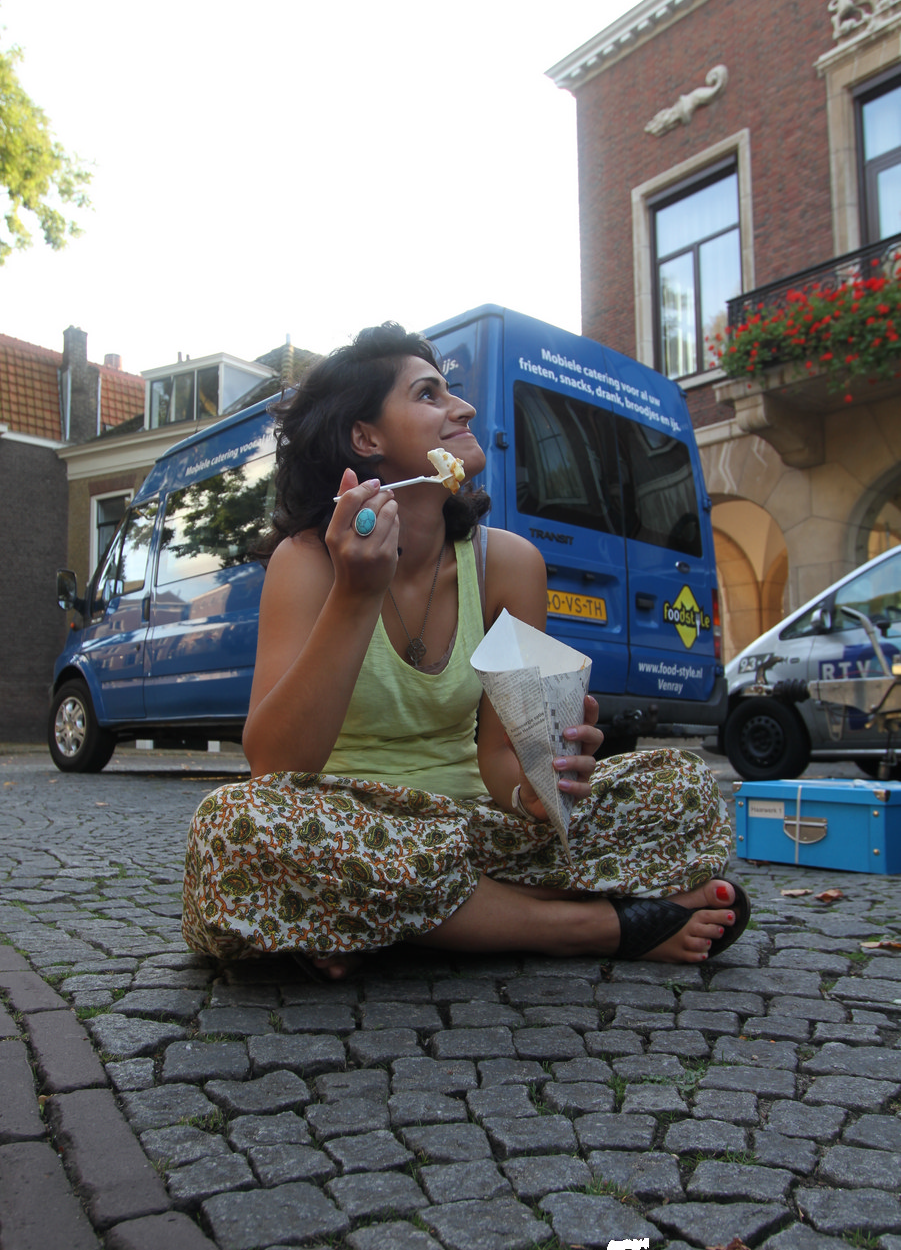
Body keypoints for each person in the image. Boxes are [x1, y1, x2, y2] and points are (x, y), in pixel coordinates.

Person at [182, 323, 744, 978]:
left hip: (471, 831)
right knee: (234, 825)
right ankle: (585, 925)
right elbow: (274, 765)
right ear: (366, 438)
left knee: (683, 787)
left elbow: (501, 756)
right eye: (429, 394)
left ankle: (378, 917)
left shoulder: (508, 563)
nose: (464, 408)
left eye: (450, 391)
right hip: (340, 825)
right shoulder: (307, 561)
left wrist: (539, 789)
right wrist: (356, 596)